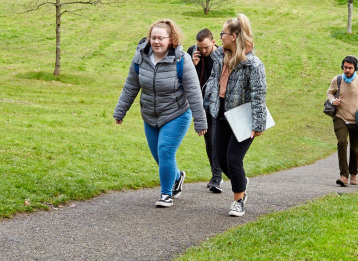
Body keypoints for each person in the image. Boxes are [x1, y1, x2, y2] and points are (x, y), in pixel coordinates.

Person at [113, 19, 208, 208]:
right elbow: (131, 85)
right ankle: (177, 176)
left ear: (171, 39)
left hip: (177, 114)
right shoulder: (140, 57)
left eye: (160, 38)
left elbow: (194, 92)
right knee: (159, 156)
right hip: (150, 115)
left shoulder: (182, 60)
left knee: (165, 151)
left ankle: (166, 194)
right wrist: (120, 111)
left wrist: (200, 121)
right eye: (153, 38)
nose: (156, 42)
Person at [203, 14, 267, 217]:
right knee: (221, 160)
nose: (220, 37)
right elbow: (214, 81)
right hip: (221, 114)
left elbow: (259, 96)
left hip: (243, 118)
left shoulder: (253, 65)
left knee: (233, 159)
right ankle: (241, 181)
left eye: (223, 33)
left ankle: (239, 200)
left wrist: (258, 124)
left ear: (234, 36)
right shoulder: (219, 57)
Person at [326, 55, 358, 187]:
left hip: (357, 121)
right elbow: (329, 93)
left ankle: (353, 175)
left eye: (350, 68)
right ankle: (344, 175)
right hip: (340, 117)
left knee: (355, 148)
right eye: (345, 67)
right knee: (342, 142)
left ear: (355, 68)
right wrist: (332, 100)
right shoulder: (337, 80)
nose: (347, 70)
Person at [186, 28, 223, 193]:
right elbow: (186, 80)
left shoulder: (222, 56)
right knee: (209, 142)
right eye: (201, 47)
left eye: (207, 47)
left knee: (216, 140)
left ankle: (217, 177)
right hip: (202, 105)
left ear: (214, 42)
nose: (203, 51)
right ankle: (216, 176)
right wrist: (192, 65)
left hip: (219, 104)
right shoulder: (192, 53)